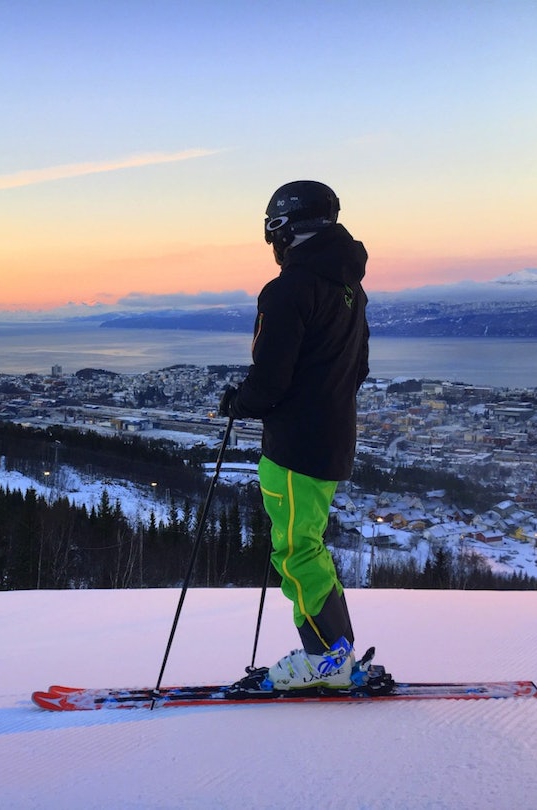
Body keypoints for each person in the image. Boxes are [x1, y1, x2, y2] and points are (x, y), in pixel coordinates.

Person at [218, 180, 369, 692]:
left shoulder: (287, 290)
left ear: (282, 229)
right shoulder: (350, 287)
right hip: (334, 438)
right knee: (310, 546)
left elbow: (270, 380)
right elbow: (359, 369)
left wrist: (240, 402)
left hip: (294, 447)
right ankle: (337, 653)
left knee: (295, 552)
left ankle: (327, 661)